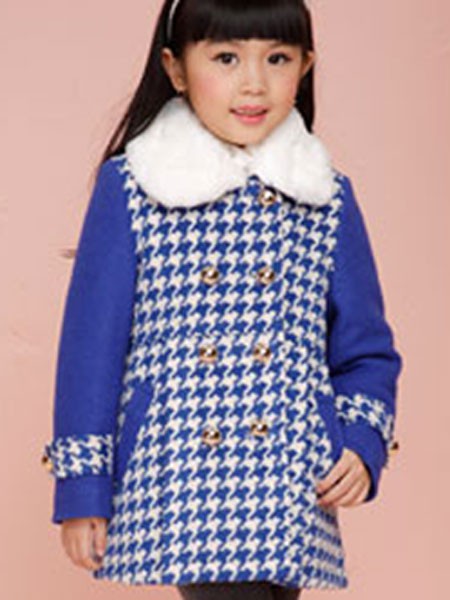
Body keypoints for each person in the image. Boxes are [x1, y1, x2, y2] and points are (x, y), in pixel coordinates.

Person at [41, 1, 403, 599]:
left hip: (293, 477)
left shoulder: (325, 196)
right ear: (176, 69)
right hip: (183, 471)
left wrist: (362, 442)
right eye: (226, 58)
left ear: (306, 67)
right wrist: (82, 487)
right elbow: (90, 354)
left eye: (277, 58)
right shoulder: (133, 187)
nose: (253, 83)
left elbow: (366, 348)